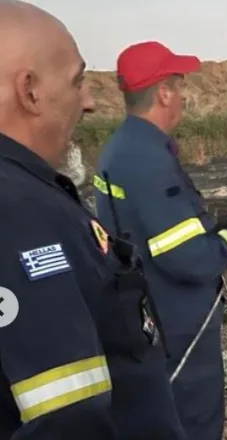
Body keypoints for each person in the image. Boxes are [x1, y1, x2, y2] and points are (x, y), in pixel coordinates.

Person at [92, 41, 227, 440]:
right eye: (180, 84)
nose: (185, 94)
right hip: (177, 328)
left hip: (147, 318)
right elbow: (186, 256)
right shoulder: (147, 159)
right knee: (194, 423)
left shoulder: (121, 148)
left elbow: (154, 230)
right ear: (163, 92)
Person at [0, 2, 186, 439]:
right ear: (29, 91)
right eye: (78, 81)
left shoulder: (31, 191)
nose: (89, 101)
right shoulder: (18, 211)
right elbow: (66, 416)